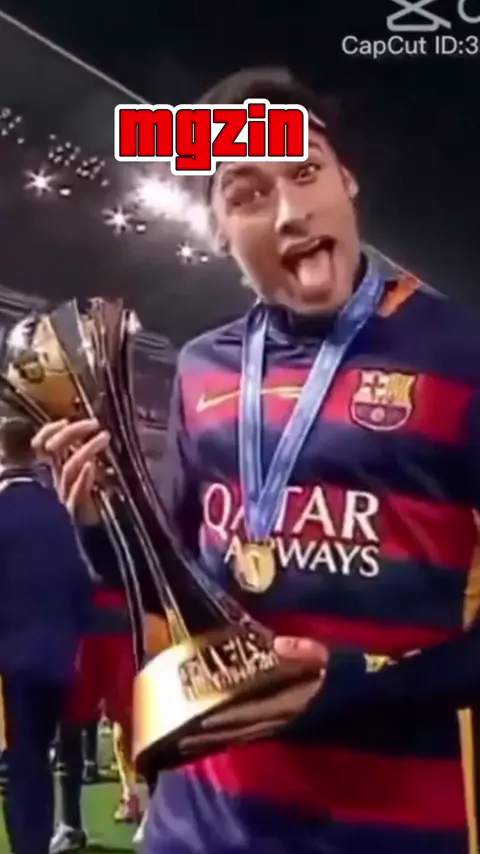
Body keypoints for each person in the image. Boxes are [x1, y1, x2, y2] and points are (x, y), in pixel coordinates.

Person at [33, 66, 480, 854]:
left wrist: (360, 685)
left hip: (382, 831)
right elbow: (167, 585)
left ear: (347, 179)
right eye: (246, 195)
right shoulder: (202, 367)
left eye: (305, 172)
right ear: (217, 231)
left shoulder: (462, 354)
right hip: (200, 825)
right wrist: (101, 522)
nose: (290, 212)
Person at [0, 415, 91, 854]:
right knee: (34, 760)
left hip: (9, 663)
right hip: (56, 658)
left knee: (21, 766)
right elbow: (80, 580)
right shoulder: (57, 508)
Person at [50, 577, 139, 853]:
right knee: (70, 718)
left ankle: (147, 805)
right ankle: (70, 825)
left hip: (117, 615)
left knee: (135, 717)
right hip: (79, 619)